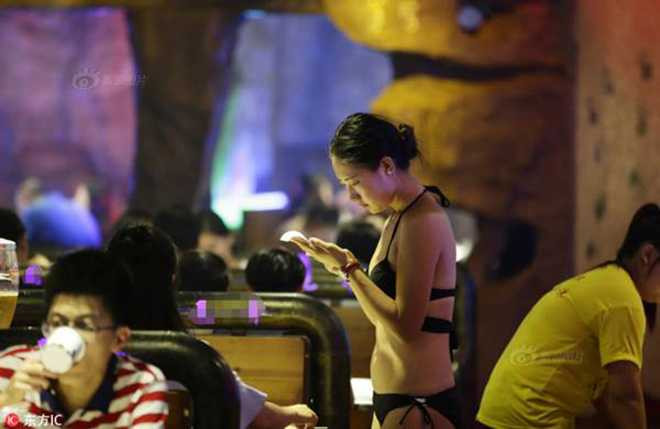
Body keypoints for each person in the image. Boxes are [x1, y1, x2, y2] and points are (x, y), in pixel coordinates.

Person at [291, 112, 459, 429]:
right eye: (345, 185)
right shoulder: (400, 216)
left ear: (386, 166)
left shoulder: (421, 220)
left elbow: (406, 326)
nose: (351, 196)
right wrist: (344, 268)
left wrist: (350, 268)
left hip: (417, 404)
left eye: (354, 183)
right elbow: (383, 318)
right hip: (399, 400)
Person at [107, 224, 318, 429]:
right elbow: (258, 417)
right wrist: (294, 412)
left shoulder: (96, 353)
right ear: (173, 280)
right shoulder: (193, 358)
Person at [477, 204, 660, 429]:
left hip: (500, 413)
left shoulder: (604, 280)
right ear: (647, 255)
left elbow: (609, 398)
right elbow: (625, 398)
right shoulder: (624, 300)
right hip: (526, 419)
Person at [0, 249, 169, 427]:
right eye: (57, 323)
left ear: (119, 339)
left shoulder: (141, 386)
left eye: (84, 325)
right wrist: (6, 402)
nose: (66, 335)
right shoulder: (10, 369)